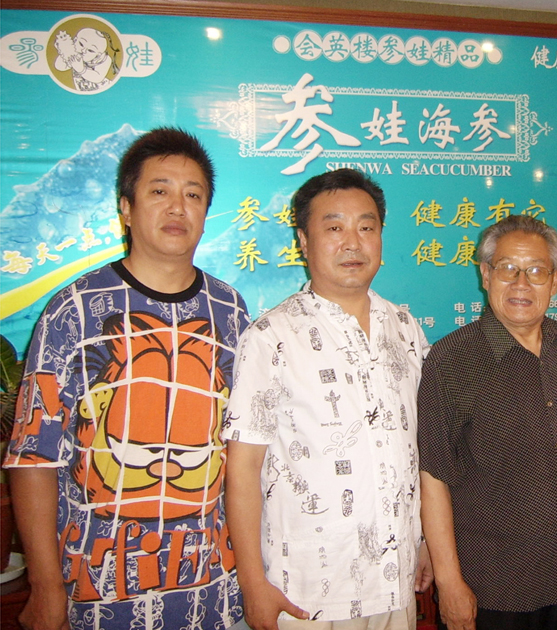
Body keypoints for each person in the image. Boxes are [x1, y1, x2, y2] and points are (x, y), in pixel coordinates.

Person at [3, 127, 251, 630]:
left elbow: (244, 451)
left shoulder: (231, 310)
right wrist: (46, 586)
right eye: (159, 190)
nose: (177, 207)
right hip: (97, 591)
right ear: (126, 208)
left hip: (212, 592)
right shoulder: (74, 310)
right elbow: (33, 457)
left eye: (193, 195)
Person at [223, 168, 431, 630]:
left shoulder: (405, 329)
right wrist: (252, 582)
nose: (353, 242)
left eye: (366, 227)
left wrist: (424, 542)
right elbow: (242, 469)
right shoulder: (270, 337)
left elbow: (418, 449)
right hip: (306, 594)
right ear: (303, 240)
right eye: (334, 227)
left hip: (396, 580)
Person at [418, 215, 557, 630]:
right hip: (494, 589)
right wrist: (449, 583)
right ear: (486, 275)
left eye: (536, 271)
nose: (521, 283)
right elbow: (433, 478)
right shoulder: (451, 360)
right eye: (507, 268)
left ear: (555, 281)